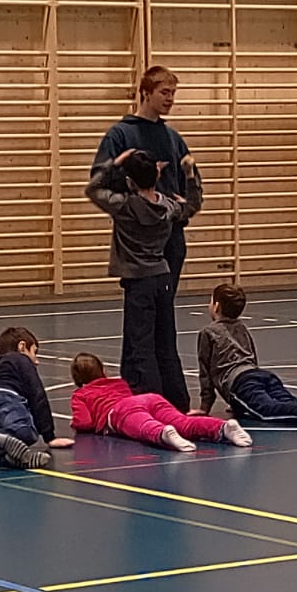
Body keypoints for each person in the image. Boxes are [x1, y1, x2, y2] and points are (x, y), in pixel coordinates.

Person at [86, 148, 201, 412]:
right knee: (166, 342)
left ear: (129, 181)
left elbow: (93, 189)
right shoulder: (168, 207)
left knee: (141, 346)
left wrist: (114, 164)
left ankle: (152, 403)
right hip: (163, 277)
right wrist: (189, 175)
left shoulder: (124, 206)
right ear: (157, 176)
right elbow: (192, 206)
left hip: (138, 280)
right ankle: (178, 401)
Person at [91, 67, 196, 298]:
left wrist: (183, 208)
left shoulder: (173, 139)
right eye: (164, 92)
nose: (170, 99)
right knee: (141, 306)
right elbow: (100, 180)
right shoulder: (120, 135)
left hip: (169, 234)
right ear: (146, 93)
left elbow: (189, 186)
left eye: (173, 93)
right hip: (137, 239)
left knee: (165, 303)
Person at [198, 284, 297, 425]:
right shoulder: (241, 327)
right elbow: (251, 357)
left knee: (267, 410)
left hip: (240, 383)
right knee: (288, 401)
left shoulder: (208, 332)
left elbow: (205, 372)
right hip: (262, 375)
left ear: (216, 306)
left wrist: (205, 406)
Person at [69, 352, 252, 452]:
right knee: (183, 422)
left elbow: (85, 422)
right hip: (149, 399)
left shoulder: (81, 394)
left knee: (143, 426)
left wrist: (75, 423)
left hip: (121, 410)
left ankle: (163, 433)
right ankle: (222, 427)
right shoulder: (119, 382)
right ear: (103, 370)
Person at [0, 326, 74, 469]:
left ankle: (5, 452)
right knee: (27, 433)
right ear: (22, 347)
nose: (36, 361)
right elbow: (37, 394)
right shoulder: (21, 359)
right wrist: (49, 436)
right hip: (9, 399)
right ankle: (5, 442)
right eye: (34, 352)